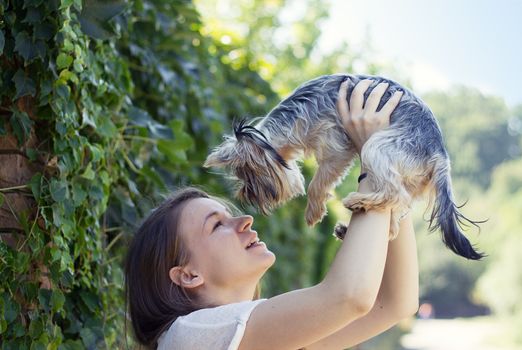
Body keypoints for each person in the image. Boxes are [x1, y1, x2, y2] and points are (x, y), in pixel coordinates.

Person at [124, 79, 419, 350]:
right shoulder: (189, 335)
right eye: (216, 225)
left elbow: (395, 303)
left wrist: (393, 167)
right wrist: (376, 158)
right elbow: (350, 296)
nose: (244, 220)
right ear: (188, 275)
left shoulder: (263, 337)